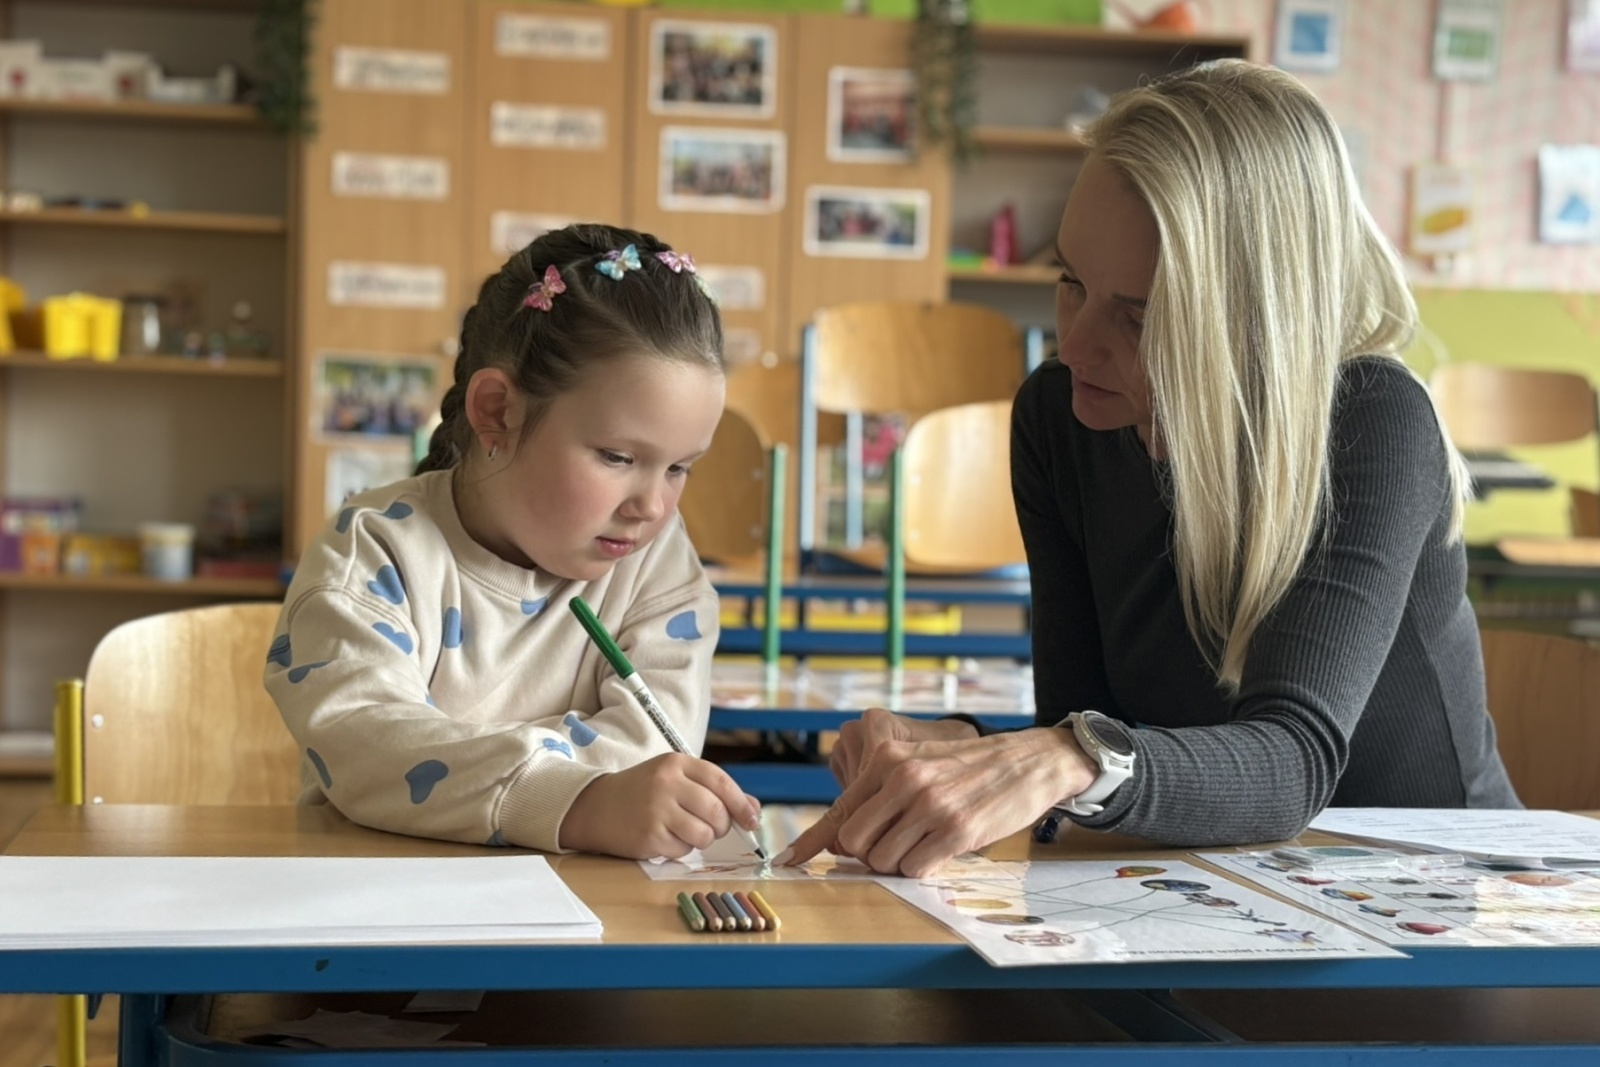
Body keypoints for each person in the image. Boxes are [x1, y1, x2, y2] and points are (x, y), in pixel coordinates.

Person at [783, 59, 1518, 878]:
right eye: (1069, 282)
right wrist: (965, 750)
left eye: (1137, 318)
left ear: (1254, 322)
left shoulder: (1372, 418)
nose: (1074, 346)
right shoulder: (1059, 416)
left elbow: (1293, 761)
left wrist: (1060, 757)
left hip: (1440, 903)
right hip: (1218, 890)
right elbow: (1085, 724)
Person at [266, 223, 762, 860]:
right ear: (498, 411)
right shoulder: (375, 553)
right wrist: (581, 801)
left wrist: (472, 765)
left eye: (679, 467)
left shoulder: (656, 563)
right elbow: (370, 751)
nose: (651, 506)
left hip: (585, 923)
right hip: (382, 914)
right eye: (617, 456)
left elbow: (655, 751)